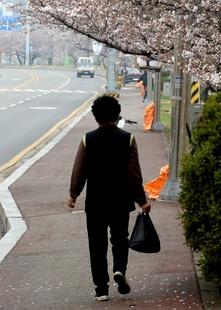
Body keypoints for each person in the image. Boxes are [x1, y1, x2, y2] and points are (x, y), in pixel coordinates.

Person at [68, 95, 152, 301]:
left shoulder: (88, 139)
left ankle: (101, 289)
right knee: (120, 239)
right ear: (117, 115)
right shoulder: (128, 139)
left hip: (95, 201)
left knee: (97, 244)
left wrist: (73, 194)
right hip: (121, 201)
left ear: (96, 117)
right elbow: (134, 174)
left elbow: (80, 170)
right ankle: (119, 270)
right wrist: (141, 200)